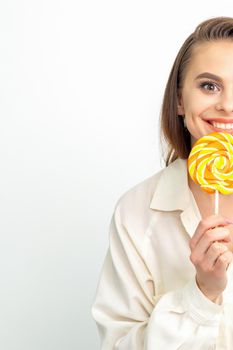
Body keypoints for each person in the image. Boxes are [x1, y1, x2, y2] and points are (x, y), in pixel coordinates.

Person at [92, 17, 233, 349]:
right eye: (209, 86)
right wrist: (202, 293)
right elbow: (119, 344)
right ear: (180, 101)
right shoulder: (137, 211)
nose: (227, 105)